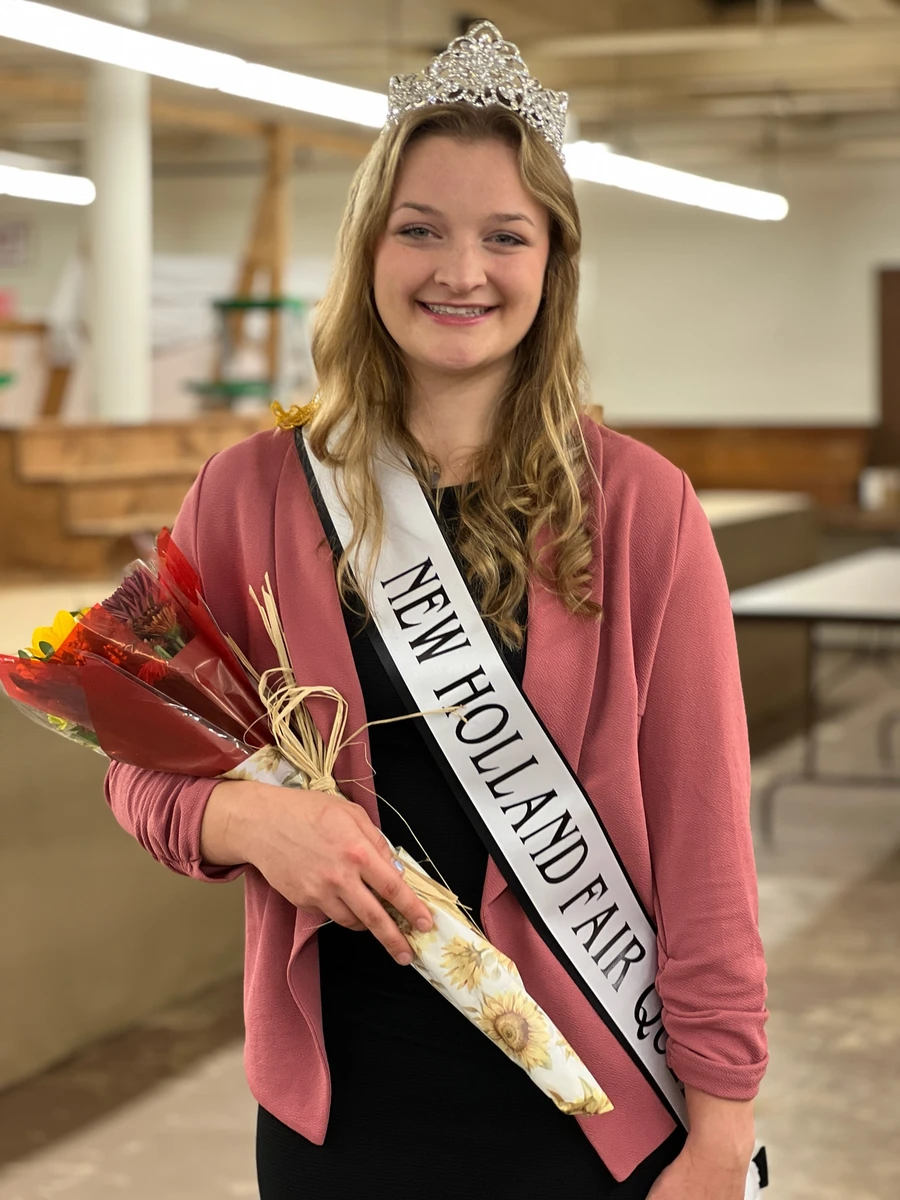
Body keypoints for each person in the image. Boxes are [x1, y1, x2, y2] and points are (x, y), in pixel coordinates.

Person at [106, 22, 767, 1200]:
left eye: (504, 236)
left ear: (552, 263)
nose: (460, 271)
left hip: (595, 1114)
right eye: (420, 230)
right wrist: (251, 826)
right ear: (368, 251)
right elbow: (134, 763)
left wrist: (720, 1134)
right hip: (340, 1120)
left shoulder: (645, 512)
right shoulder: (249, 492)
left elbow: (709, 850)